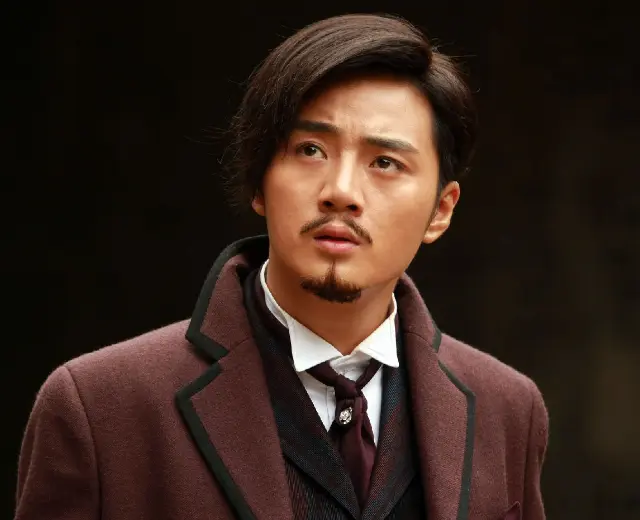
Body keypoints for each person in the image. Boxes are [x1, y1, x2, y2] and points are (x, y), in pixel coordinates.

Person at [15, 13, 548, 520]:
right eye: (311, 149)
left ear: (441, 210)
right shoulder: (101, 407)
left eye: (385, 162)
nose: (341, 191)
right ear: (259, 182)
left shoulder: (508, 409)